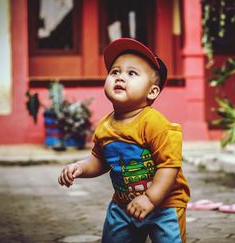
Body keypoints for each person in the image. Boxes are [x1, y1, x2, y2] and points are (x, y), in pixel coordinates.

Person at [58, 38, 190, 243]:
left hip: (164, 204)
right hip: (124, 206)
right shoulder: (105, 126)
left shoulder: (154, 123)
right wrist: (80, 167)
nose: (120, 77)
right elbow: (99, 160)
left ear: (152, 91)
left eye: (132, 73)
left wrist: (150, 198)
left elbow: (169, 166)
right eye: (115, 72)